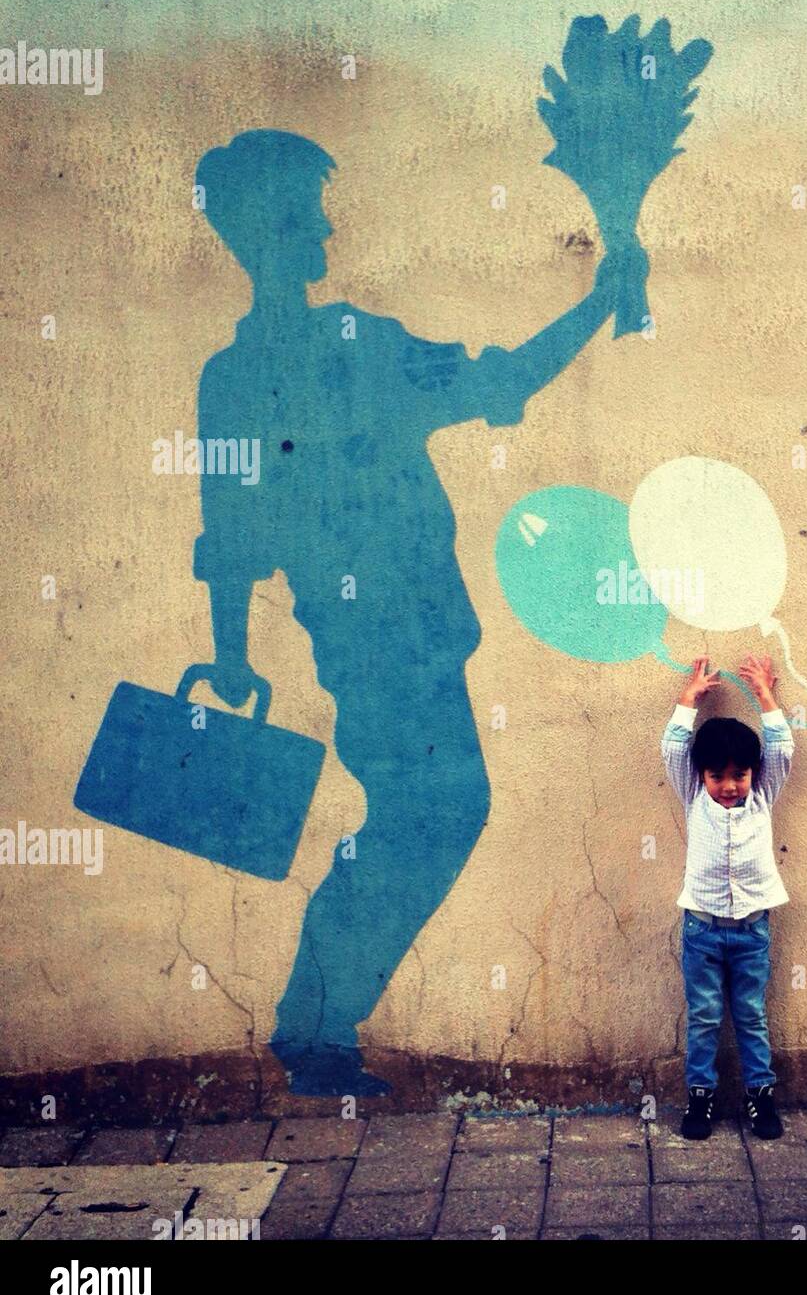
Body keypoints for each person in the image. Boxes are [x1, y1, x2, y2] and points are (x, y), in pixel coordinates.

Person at [193, 129, 648, 1096]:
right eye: (304, 209)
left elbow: (229, 534)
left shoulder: (312, 358)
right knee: (433, 812)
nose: (321, 223)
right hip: (378, 643)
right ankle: (316, 1029)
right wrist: (605, 299)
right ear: (266, 225)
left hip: (404, 637)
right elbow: (228, 528)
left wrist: (233, 654)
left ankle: (313, 1025)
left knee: (418, 813)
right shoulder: (336, 353)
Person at [661, 655, 795, 1139]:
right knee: (703, 1016)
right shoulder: (694, 796)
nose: (729, 786)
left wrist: (764, 694)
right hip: (700, 929)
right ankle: (701, 1099)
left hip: (752, 931)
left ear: (754, 775)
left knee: (751, 1015)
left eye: (739, 775)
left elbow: (781, 747)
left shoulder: (762, 796)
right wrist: (687, 700)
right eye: (718, 776)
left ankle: (760, 1096)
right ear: (701, 777)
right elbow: (673, 747)